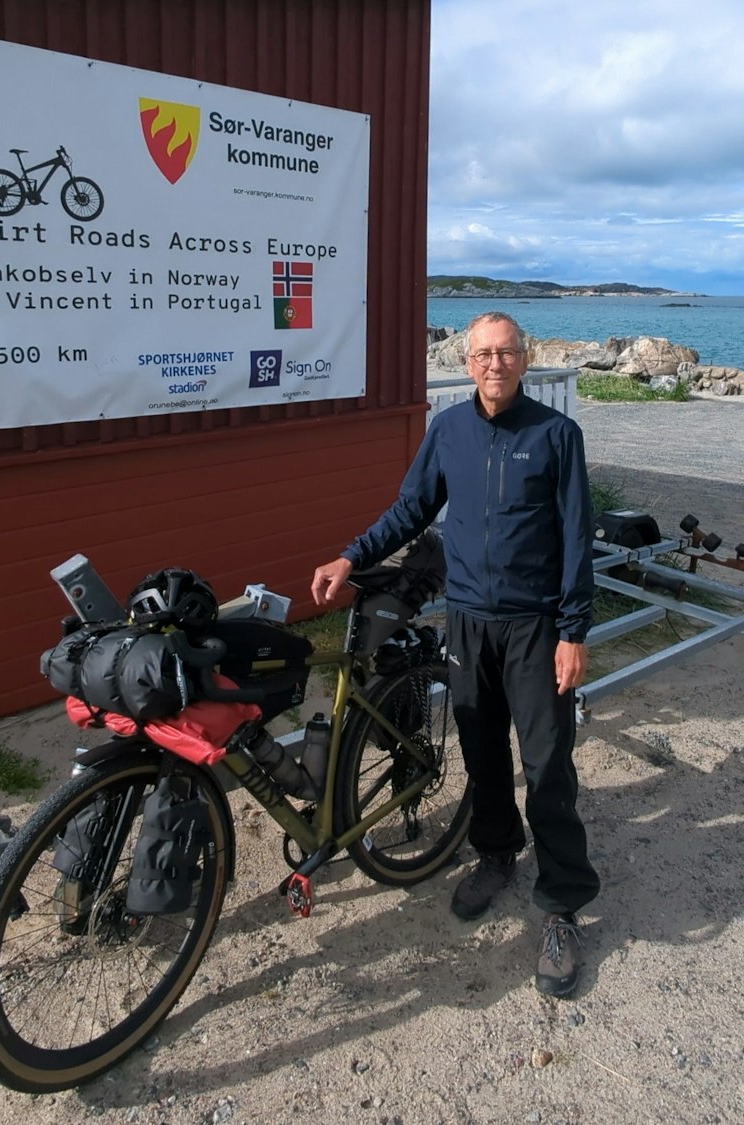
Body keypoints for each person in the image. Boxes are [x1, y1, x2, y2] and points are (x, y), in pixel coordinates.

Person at [311, 311, 599, 997]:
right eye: (483, 354)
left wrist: (573, 631)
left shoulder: (556, 435)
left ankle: (562, 905)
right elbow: (410, 511)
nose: (495, 364)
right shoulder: (447, 431)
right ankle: (497, 853)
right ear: (467, 363)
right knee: (481, 752)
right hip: (468, 622)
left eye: (507, 352)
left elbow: (576, 537)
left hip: (534, 626)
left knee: (547, 764)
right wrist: (351, 556)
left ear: (525, 359)